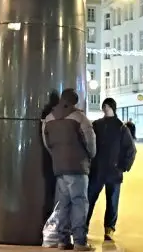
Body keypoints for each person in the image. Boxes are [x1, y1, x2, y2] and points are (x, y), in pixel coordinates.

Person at [42, 88, 97, 252]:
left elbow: (47, 144)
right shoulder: (80, 118)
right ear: (74, 101)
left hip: (59, 168)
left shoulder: (48, 119)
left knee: (63, 204)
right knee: (79, 203)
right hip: (78, 167)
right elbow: (90, 142)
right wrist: (90, 156)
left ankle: (62, 241)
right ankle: (80, 242)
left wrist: (57, 157)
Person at [86, 98, 136, 242]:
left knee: (112, 202)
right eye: (104, 106)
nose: (105, 108)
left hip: (114, 172)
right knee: (89, 199)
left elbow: (131, 149)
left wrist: (124, 166)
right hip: (97, 170)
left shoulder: (121, 127)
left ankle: (109, 229)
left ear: (112, 108)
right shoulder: (96, 125)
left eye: (107, 106)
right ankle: (83, 226)